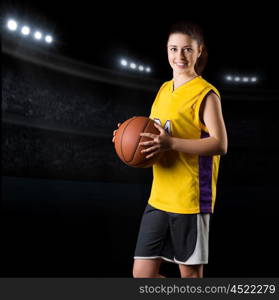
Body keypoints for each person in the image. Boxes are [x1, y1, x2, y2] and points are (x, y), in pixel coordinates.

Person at [112, 20, 228, 278]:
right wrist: (125, 135)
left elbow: (220, 144)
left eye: (187, 49)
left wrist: (171, 143)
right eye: (173, 49)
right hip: (159, 196)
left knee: (190, 277)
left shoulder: (206, 94)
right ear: (166, 51)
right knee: (142, 275)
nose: (179, 56)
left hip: (189, 199)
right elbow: (153, 133)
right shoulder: (164, 89)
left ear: (199, 51)